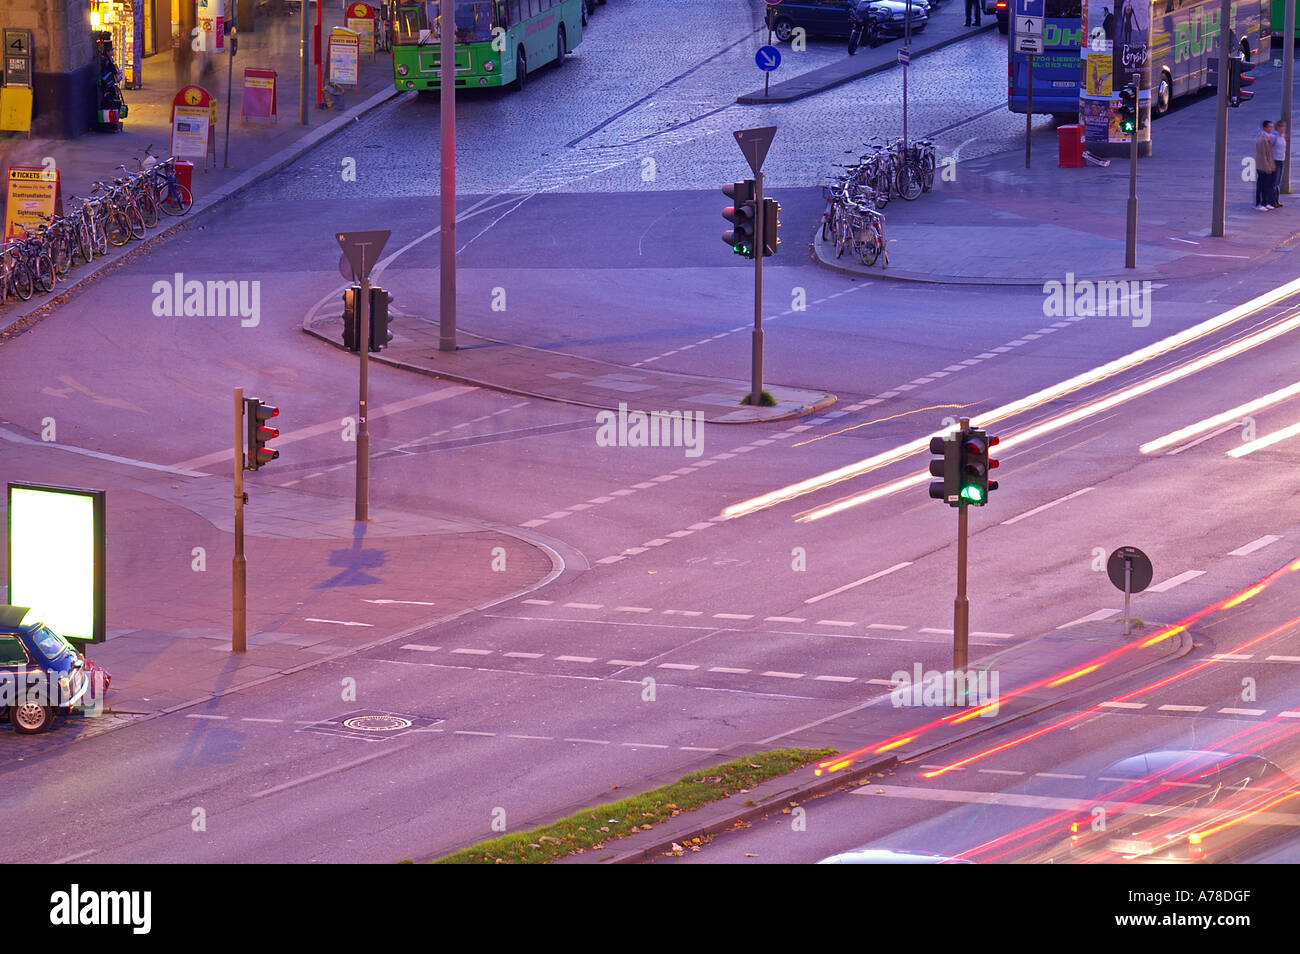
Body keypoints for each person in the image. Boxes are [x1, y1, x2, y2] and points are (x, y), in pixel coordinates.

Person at [1256, 120, 1277, 210]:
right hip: (1262, 166)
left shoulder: (1268, 138)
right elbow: (1263, 155)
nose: (1271, 128)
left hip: (1267, 165)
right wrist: (1267, 166)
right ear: (1265, 128)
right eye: (1269, 127)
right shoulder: (1262, 139)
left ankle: (1265, 202)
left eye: (1272, 127)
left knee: (1267, 185)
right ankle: (1260, 204)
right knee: (1262, 185)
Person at [1271, 119, 1288, 208]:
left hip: (1281, 160)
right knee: (1274, 182)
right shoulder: (1274, 136)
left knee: (1277, 182)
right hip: (1275, 160)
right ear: (1278, 127)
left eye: (1284, 126)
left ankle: (1276, 200)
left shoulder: (1283, 136)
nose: (1283, 128)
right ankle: (1272, 201)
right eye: (1282, 126)